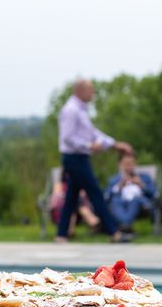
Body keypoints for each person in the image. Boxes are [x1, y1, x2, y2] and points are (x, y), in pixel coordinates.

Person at [55, 79, 134, 243]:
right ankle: (113, 232)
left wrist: (114, 144)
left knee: (71, 197)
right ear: (80, 90)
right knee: (95, 193)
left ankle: (61, 235)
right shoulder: (71, 110)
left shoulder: (80, 110)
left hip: (80, 157)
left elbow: (92, 133)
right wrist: (89, 146)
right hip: (75, 158)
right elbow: (67, 138)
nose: (93, 93)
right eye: (91, 90)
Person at [105, 153, 156, 232]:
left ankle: (124, 226)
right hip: (119, 203)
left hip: (140, 204)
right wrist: (119, 187)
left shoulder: (144, 177)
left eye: (131, 164)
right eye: (125, 164)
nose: (128, 167)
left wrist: (141, 185)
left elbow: (154, 193)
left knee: (135, 200)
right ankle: (127, 226)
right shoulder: (114, 180)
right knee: (115, 201)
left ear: (135, 164)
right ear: (119, 165)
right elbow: (106, 196)